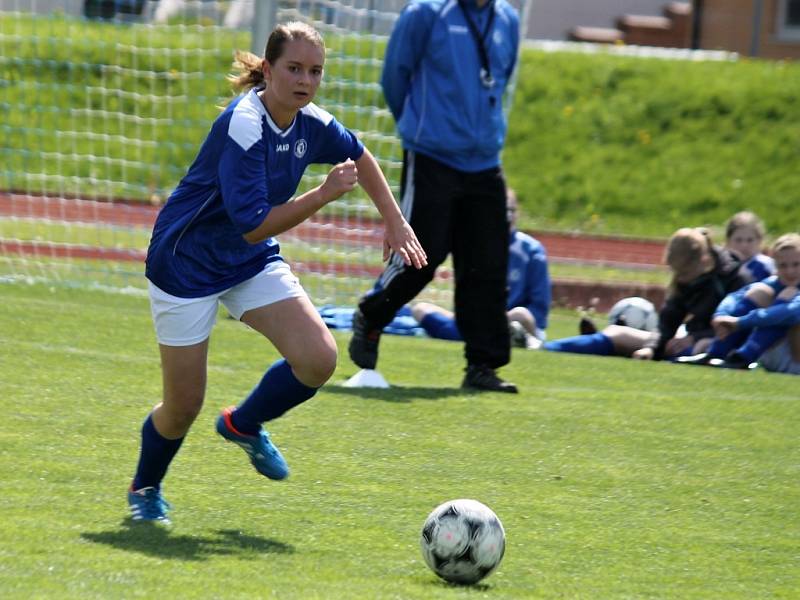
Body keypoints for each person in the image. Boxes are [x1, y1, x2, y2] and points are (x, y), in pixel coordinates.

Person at [128, 22, 427, 524]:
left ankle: (244, 424)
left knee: (318, 359)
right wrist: (322, 194)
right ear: (267, 70)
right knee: (183, 406)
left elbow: (360, 154)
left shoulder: (311, 122)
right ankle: (145, 489)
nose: (305, 80)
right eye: (293, 68)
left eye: (315, 70)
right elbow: (251, 226)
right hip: (186, 263)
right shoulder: (244, 124)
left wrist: (395, 221)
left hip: (246, 260)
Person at [347, 0, 521, 393]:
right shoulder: (426, 14)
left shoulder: (507, 18)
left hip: (484, 161)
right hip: (432, 157)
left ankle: (482, 364)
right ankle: (371, 317)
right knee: (421, 255)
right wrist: (421, 130)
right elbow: (395, 78)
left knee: (487, 265)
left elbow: (502, 77)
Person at [541, 228, 746, 361]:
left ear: (703, 259)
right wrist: (651, 348)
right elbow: (667, 323)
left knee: (702, 347)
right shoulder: (686, 279)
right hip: (684, 340)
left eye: (683, 273)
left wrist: (696, 337)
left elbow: (739, 325)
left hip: (718, 344)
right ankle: (544, 349)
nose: (680, 278)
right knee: (617, 332)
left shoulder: (734, 277)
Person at [410, 189, 551, 350]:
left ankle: (518, 338)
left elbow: (539, 309)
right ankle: (484, 337)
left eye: (511, 210)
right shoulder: (477, 246)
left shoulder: (532, 250)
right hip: (478, 322)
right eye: (502, 209)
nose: (508, 216)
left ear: (517, 213)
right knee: (420, 309)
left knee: (520, 314)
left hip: (514, 320)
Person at [678, 233, 800, 369]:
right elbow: (736, 296)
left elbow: (791, 313)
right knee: (760, 292)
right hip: (776, 353)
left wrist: (740, 322)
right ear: (775, 266)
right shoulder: (775, 282)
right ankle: (715, 354)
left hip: (794, 359)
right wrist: (721, 316)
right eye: (783, 266)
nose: (790, 271)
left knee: (783, 305)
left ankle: (744, 357)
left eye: (796, 265)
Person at [724, 211, 775, 284]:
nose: (744, 245)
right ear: (728, 241)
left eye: (750, 240)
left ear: (759, 240)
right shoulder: (724, 266)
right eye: (738, 240)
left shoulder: (766, 265)